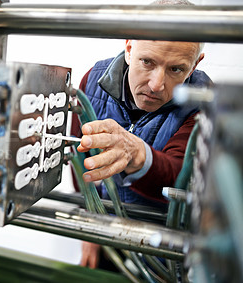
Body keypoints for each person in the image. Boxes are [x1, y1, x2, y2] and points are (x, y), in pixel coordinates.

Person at [73, 1, 213, 269]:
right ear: (128, 47)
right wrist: (89, 221)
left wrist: (136, 154)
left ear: (194, 65)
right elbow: (78, 159)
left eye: (176, 69)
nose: (157, 84)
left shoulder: (205, 103)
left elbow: (179, 176)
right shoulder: (92, 81)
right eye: (147, 62)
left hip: (166, 250)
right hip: (105, 234)